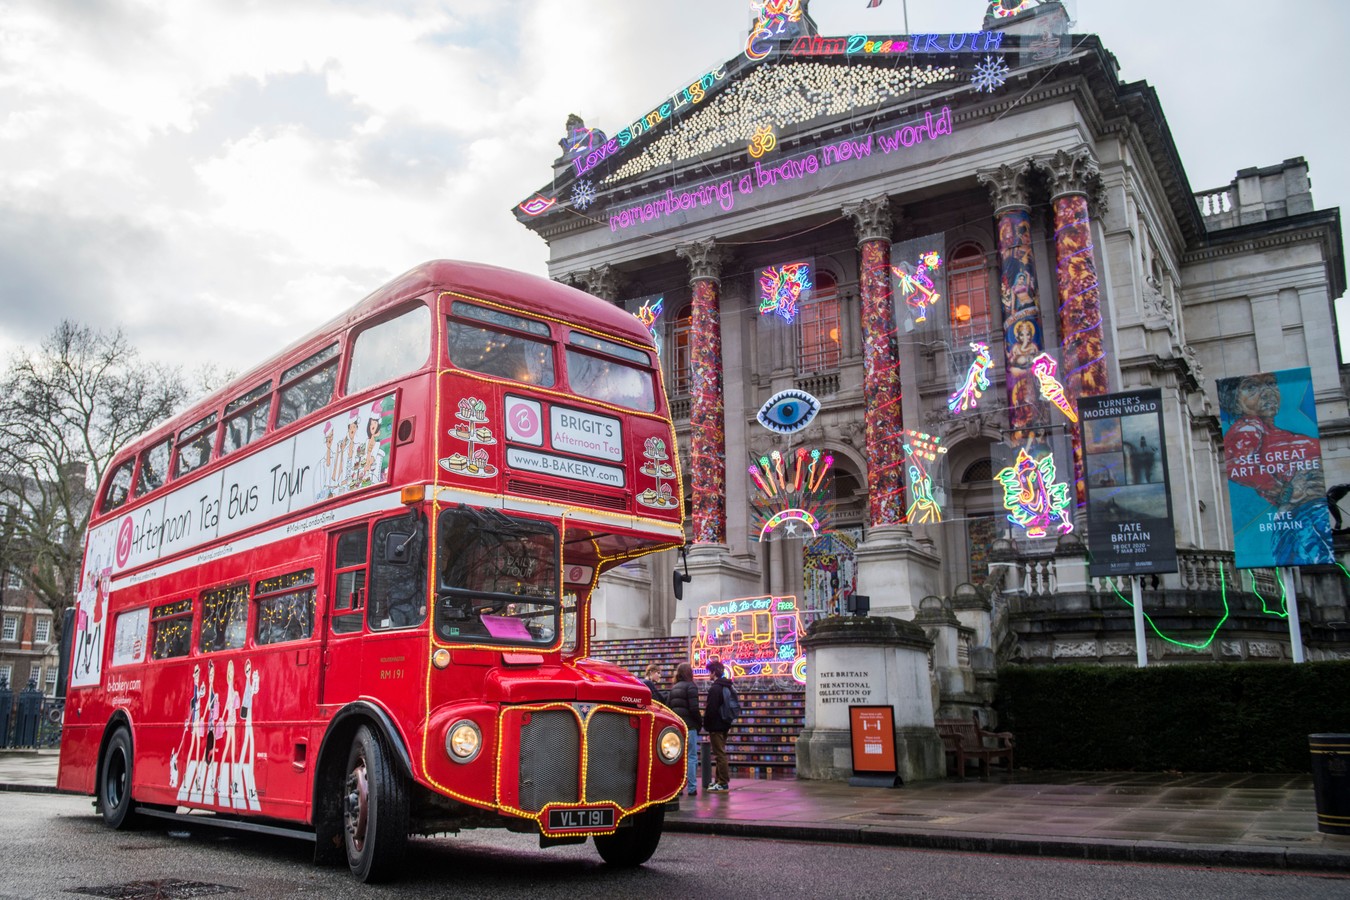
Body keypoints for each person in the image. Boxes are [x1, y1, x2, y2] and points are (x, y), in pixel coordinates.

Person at [667, 663, 703, 796]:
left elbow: (669, 707)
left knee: (678, 758)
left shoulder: (674, 688)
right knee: (692, 757)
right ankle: (692, 788)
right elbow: (694, 708)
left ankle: (679, 788)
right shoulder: (691, 686)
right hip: (690, 727)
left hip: (677, 728)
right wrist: (699, 722)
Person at [702, 659, 737, 793]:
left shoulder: (715, 688)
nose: (708, 675)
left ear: (714, 672)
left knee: (719, 754)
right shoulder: (727, 685)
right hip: (725, 723)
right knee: (720, 753)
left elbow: (711, 709)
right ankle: (718, 781)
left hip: (716, 725)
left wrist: (706, 724)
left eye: (709, 672)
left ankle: (723, 782)